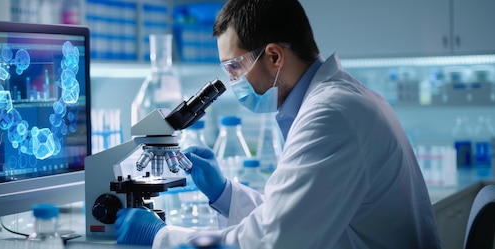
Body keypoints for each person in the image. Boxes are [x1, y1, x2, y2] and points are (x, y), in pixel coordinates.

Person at [115, 0, 441, 248]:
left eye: (234, 67)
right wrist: (224, 192)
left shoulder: (331, 115)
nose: (230, 82)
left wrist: (160, 237)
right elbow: (293, 214)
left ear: (274, 56)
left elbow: (271, 241)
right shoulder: (339, 97)